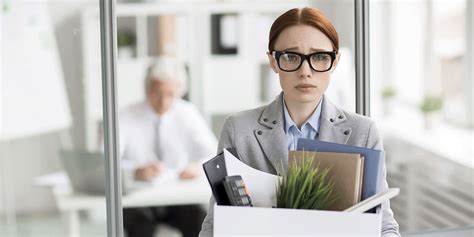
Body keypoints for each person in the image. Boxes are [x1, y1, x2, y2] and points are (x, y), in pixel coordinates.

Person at [199, 7, 400, 237]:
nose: (305, 71)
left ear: (335, 62)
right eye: (291, 57)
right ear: (273, 62)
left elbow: (384, 226)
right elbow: (216, 224)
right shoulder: (239, 129)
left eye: (320, 57)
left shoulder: (363, 132)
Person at [119, 57, 217, 237]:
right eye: (157, 93)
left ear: (180, 91)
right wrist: (135, 171)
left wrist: (197, 167)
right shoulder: (125, 116)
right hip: (139, 197)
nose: (163, 101)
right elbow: (104, 162)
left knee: (199, 219)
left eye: (170, 94)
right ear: (146, 89)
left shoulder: (188, 113)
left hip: (176, 195)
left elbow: (213, 154)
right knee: (136, 222)